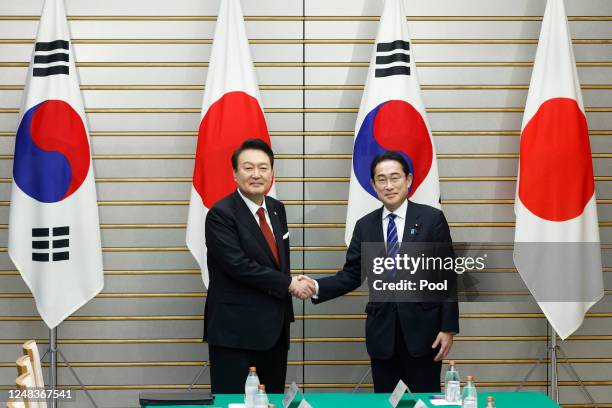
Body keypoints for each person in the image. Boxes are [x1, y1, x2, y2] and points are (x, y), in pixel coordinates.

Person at [296, 151, 459, 393]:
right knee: (385, 401)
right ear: (373, 185)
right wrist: (316, 287)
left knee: (425, 401)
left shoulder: (431, 219)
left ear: (409, 180)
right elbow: (351, 274)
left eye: (395, 177)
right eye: (381, 179)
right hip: (382, 335)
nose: (389, 185)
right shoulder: (365, 226)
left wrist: (448, 327)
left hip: (424, 333)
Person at [203, 138, 315, 394]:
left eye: (263, 168)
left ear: (272, 173)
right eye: (248, 167)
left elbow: (275, 262)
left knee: (271, 400)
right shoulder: (220, 214)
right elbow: (238, 265)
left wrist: (289, 279)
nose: (256, 174)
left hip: (275, 331)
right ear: (234, 173)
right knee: (234, 403)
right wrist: (288, 283)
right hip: (235, 334)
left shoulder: (277, 209)